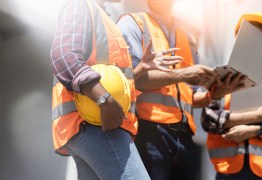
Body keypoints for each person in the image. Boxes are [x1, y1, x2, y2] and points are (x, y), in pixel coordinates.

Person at [50, 0, 183, 179]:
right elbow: (64, 55)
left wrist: (140, 68)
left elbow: (112, 77)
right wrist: (103, 99)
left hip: (96, 122)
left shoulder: (101, 15)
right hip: (96, 123)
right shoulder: (80, 5)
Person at [117, 0, 245, 179]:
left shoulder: (188, 39)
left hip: (185, 138)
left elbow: (189, 95)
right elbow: (131, 80)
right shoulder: (132, 23)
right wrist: (183, 74)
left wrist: (211, 96)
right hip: (149, 133)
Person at [202, 13, 262, 180]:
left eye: (260, 36)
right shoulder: (223, 78)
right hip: (230, 171)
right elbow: (209, 119)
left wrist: (254, 131)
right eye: (248, 34)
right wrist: (258, 116)